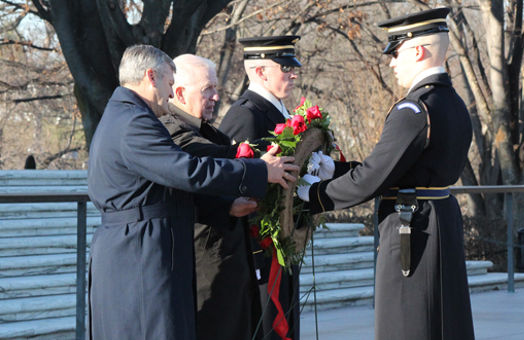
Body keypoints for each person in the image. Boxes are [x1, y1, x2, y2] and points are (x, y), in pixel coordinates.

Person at [87, 45, 298, 340]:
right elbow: (187, 170)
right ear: (151, 76)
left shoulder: (127, 116)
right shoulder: (134, 122)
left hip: (140, 244)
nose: (171, 94)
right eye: (170, 84)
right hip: (138, 253)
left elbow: (166, 189)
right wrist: (260, 171)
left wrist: (224, 207)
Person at [296, 8, 475, 339]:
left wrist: (314, 195)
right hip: (439, 218)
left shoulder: (414, 109)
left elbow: (374, 176)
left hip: (412, 224)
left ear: (418, 51)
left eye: (396, 53)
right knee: (441, 320)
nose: (392, 63)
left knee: (407, 321)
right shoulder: (453, 103)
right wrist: (334, 169)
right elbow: (402, 170)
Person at [159, 54, 260, 339]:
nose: (216, 96)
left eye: (215, 88)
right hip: (203, 268)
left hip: (229, 265)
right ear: (179, 92)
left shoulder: (209, 131)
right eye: (207, 89)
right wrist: (261, 163)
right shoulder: (172, 131)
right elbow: (207, 159)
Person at [218, 35, 302, 340]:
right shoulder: (246, 115)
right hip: (259, 252)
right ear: (261, 72)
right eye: (285, 68)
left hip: (281, 244)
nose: (293, 73)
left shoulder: (278, 112)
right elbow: (230, 182)